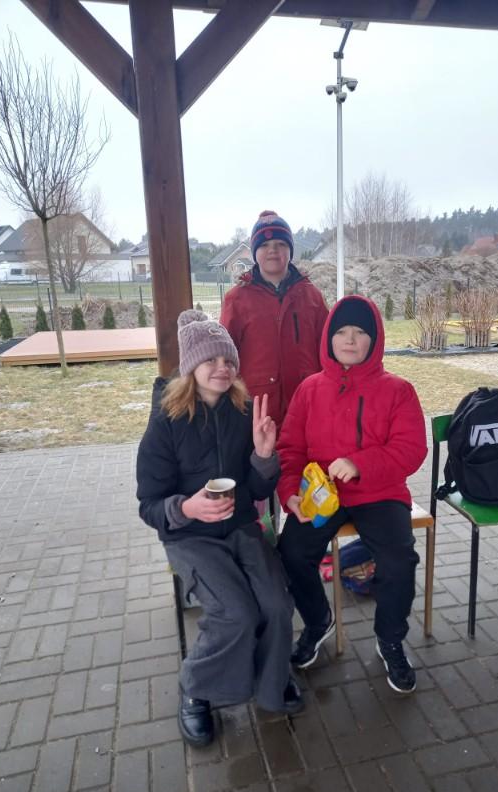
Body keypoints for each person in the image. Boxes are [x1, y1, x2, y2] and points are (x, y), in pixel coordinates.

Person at [136, 309, 303, 748]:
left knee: (276, 603)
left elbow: (257, 490)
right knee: (235, 612)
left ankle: (272, 680)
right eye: (211, 360)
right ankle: (196, 688)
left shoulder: (243, 412)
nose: (222, 368)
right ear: (191, 366)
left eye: (228, 360)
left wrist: (264, 456)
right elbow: (149, 505)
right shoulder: (166, 422)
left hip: (241, 526)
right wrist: (186, 507)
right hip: (190, 536)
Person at [276, 295, 428, 694]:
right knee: (291, 551)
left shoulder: (398, 390)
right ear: (328, 337)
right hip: (322, 495)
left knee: (398, 560)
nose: (349, 339)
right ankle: (317, 621)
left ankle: (390, 638)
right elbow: (289, 449)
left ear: (374, 340)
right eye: (341, 331)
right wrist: (290, 493)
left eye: (360, 332)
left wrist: (361, 463)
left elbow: (411, 450)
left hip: (380, 492)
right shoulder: (309, 389)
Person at [220, 210, 328, 429]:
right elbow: (225, 354)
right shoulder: (236, 299)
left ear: (290, 250)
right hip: (256, 411)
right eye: (264, 245)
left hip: (306, 405)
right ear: (255, 252)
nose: (273, 250)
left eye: (281, 244)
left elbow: (327, 348)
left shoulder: (311, 296)